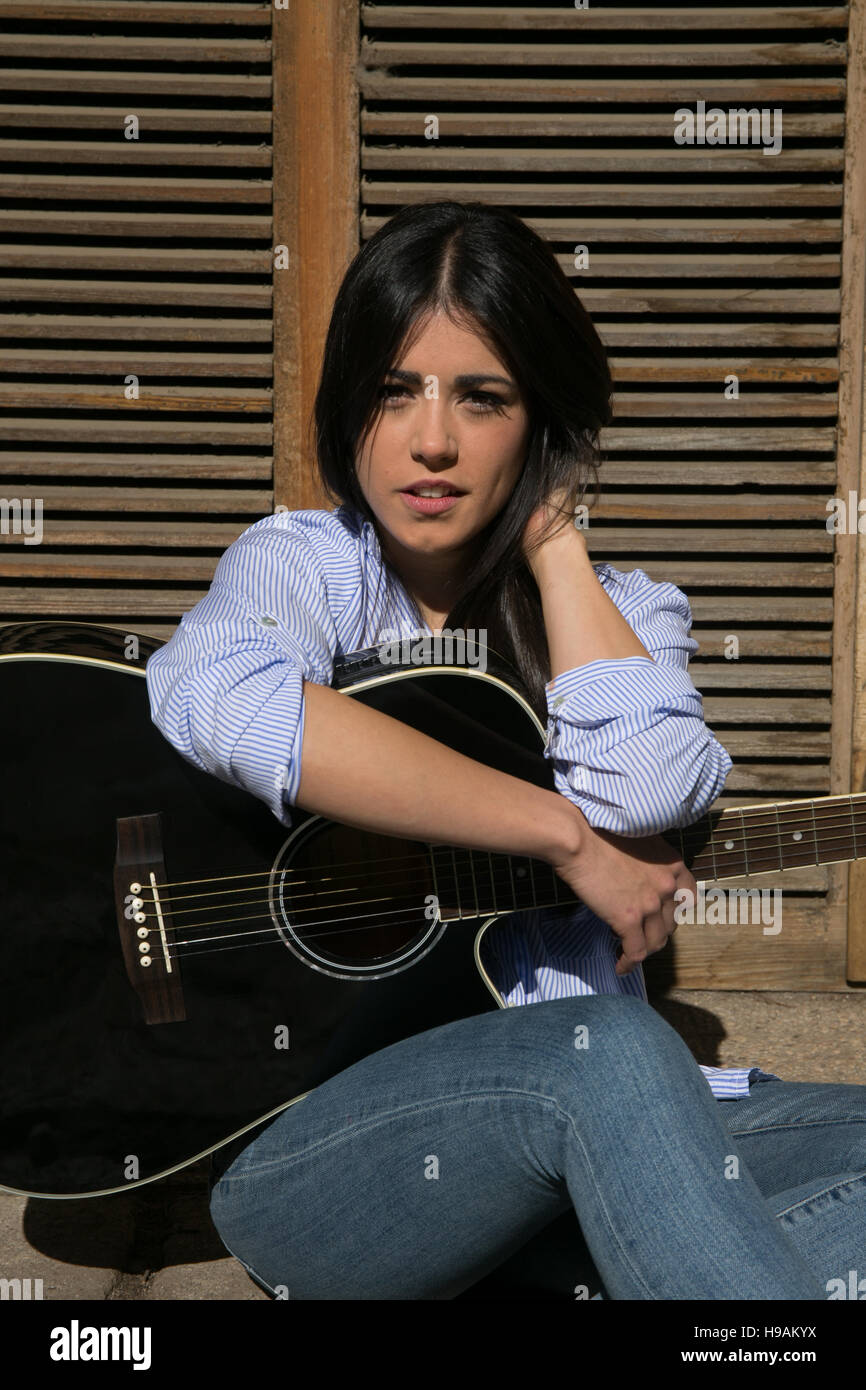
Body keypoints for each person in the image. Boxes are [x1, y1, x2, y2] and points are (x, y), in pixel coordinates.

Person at [145, 201, 866, 1301]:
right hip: (328, 1160)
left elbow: (649, 788)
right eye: (396, 389)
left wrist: (553, 538)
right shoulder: (306, 566)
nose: (431, 439)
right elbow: (225, 695)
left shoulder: (625, 609)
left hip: (600, 1143)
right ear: (350, 406)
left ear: (541, 421)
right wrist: (560, 836)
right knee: (607, 1051)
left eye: (481, 397)